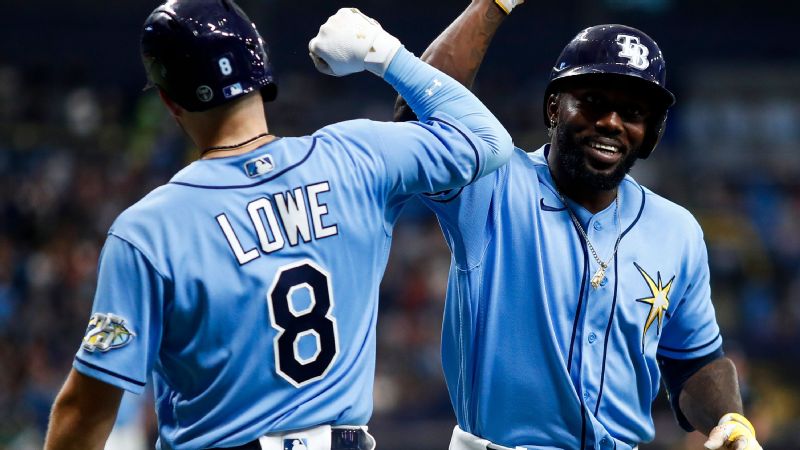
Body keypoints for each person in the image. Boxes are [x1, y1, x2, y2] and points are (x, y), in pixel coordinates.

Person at [43, 2, 513, 449]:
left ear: (170, 102)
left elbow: (86, 409)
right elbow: (489, 141)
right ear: (262, 71)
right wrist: (383, 53)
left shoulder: (149, 230)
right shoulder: (357, 157)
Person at [394, 1, 762, 449]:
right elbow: (418, 120)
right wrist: (493, 4)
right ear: (553, 108)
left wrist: (730, 419)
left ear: (653, 132)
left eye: (633, 112)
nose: (611, 123)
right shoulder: (492, 183)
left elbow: (692, 361)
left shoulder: (677, 230)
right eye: (592, 102)